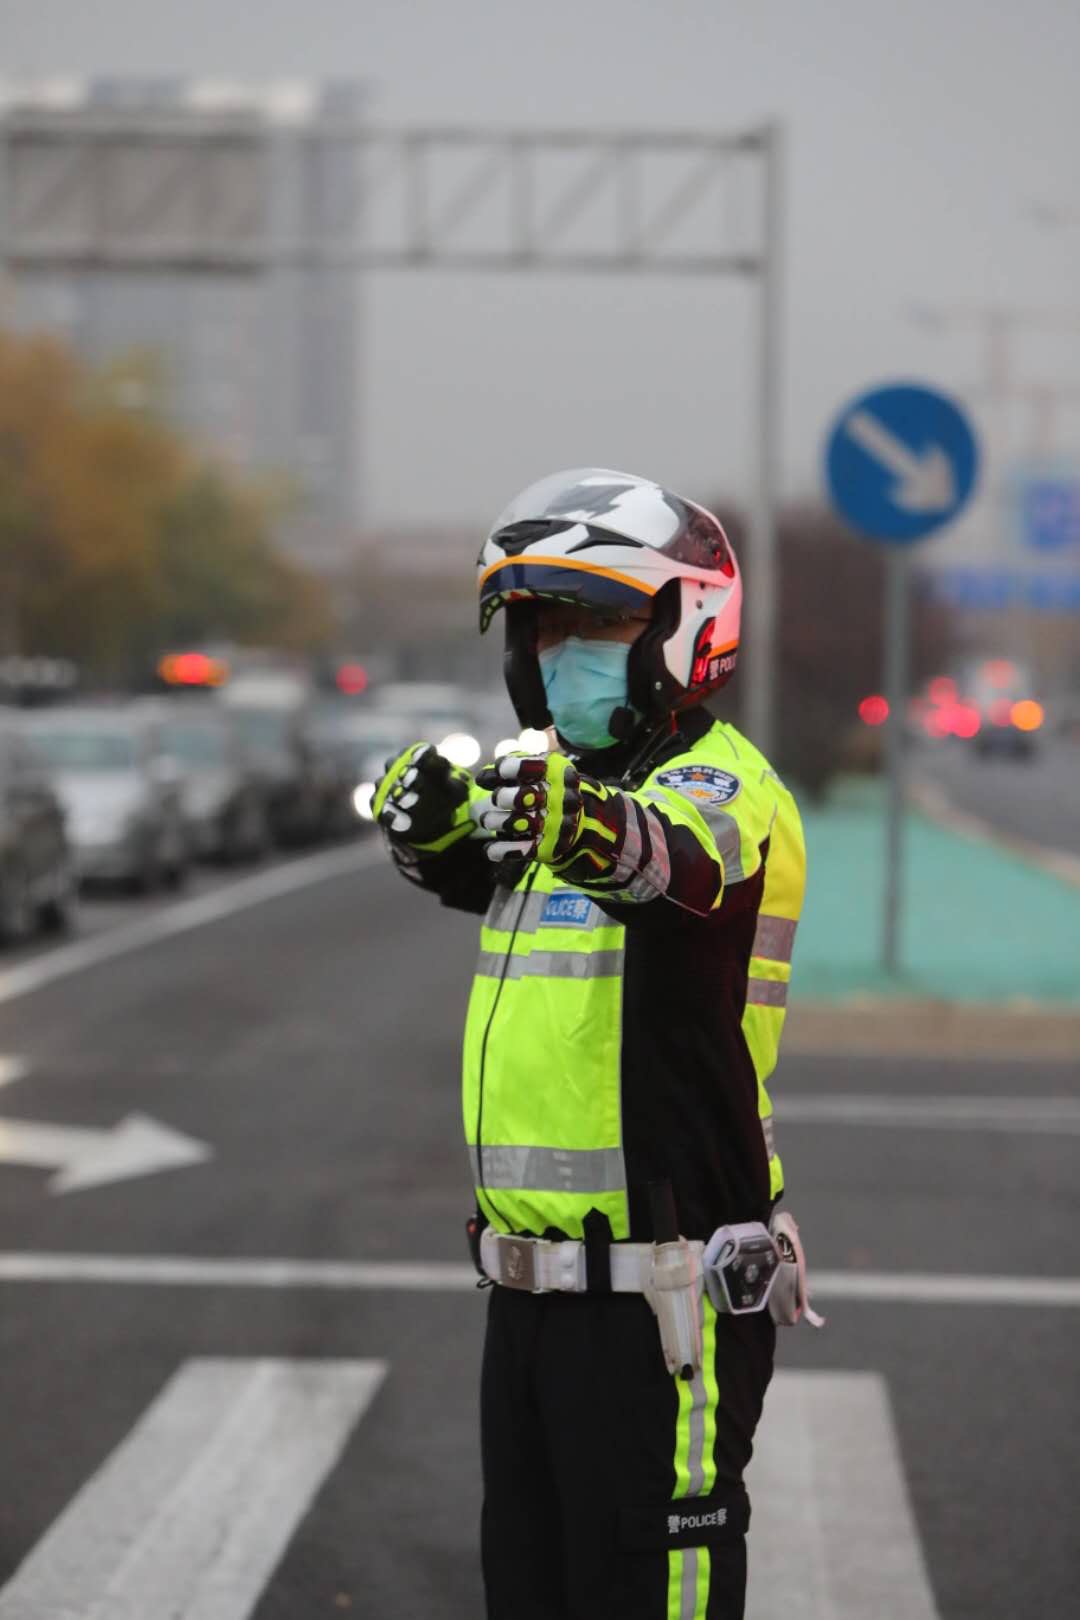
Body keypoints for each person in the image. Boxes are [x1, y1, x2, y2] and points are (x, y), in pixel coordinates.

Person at [373, 468, 808, 1620]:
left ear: (685, 626)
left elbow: (670, 866)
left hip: (662, 1306)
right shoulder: (554, 798)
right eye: (544, 624)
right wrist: (426, 830)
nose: (564, 648)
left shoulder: (721, 786)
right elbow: (484, 859)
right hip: (523, 1304)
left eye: (602, 620)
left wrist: (576, 819)